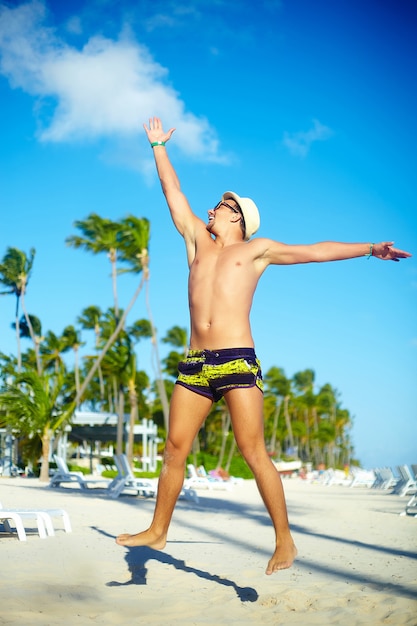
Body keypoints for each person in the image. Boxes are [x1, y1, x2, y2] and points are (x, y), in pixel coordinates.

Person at [116, 117, 411, 575]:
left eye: (220, 205)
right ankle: (158, 529)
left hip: (237, 360)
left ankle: (285, 540)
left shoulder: (257, 251)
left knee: (253, 451)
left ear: (237, 216)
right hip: (195, 363)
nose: (211, 209)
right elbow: (172, 192)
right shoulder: (197, 241)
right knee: (175, 449)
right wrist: (157, 147)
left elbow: (314, 251)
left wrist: (370, 248)